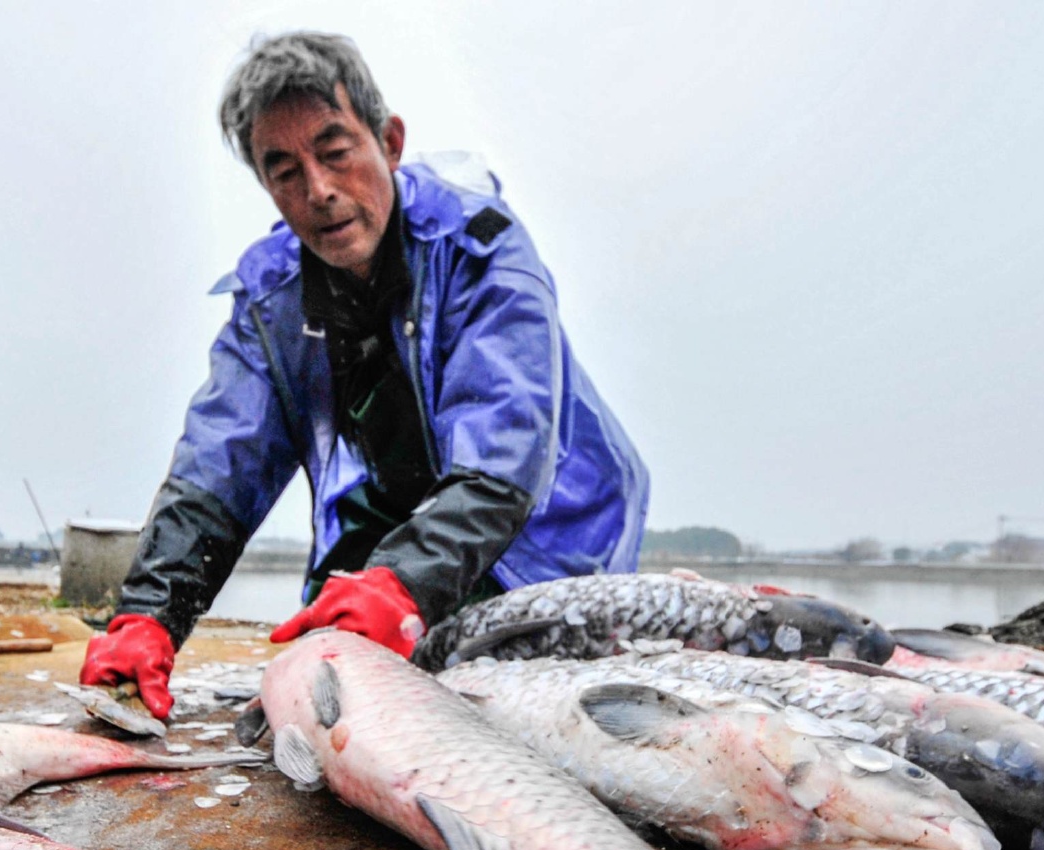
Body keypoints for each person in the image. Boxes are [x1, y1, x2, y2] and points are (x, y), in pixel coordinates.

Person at [82, 31, 649, 718]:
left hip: (541, 527)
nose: (318, 190)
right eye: (284, 170)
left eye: (334, 151)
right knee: (321, 688)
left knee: (510, 706)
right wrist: (147, 615)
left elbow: (504, 458)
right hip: (399, 511)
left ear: (390, 141)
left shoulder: (485, 251)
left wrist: (401, 584)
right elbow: (217, 470)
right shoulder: (273, 299)